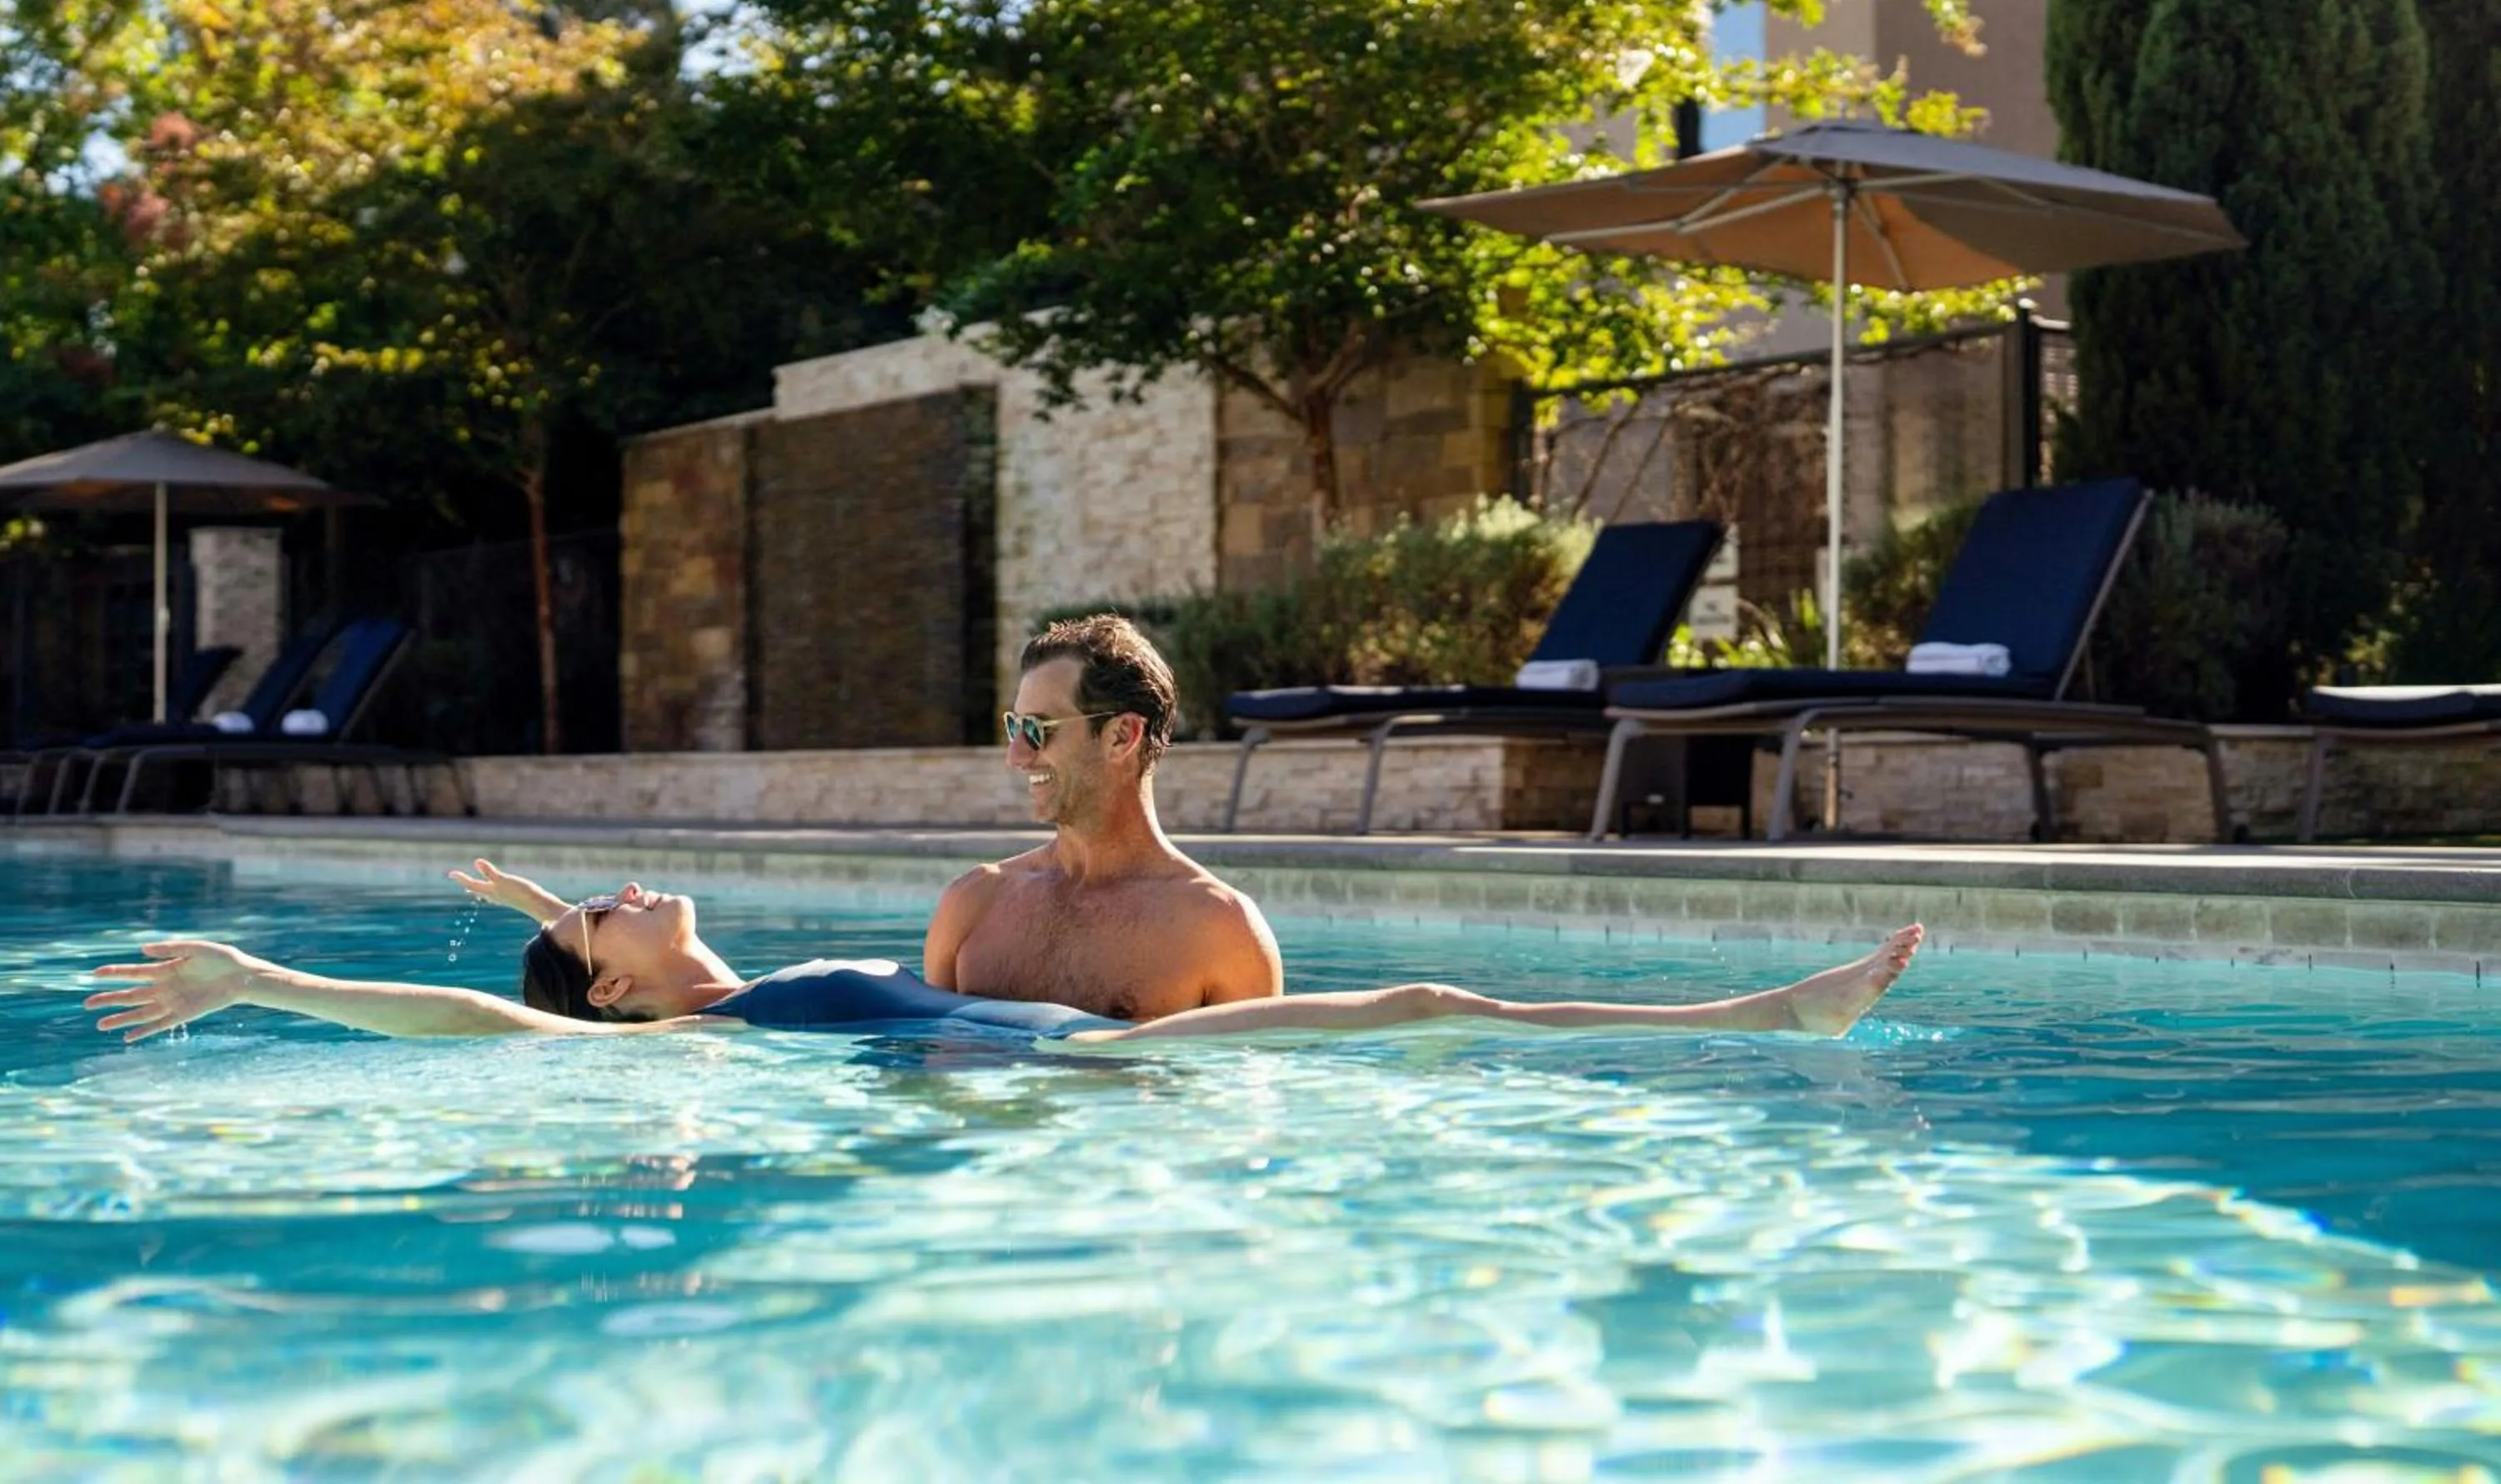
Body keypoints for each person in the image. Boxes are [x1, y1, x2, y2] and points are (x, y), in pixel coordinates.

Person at [84, 863, 1925, 1047]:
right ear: (622, 988)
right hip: (1066, 1077)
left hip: (1055, 1067)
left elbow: (545, 964)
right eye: (606, 913)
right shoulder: (676, 1040)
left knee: (1428, 1009)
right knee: (1432, 1004)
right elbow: (496, 1020)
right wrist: (269, 980)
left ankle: (1758, 1011)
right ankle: (1761, 1010)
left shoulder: (720, 995)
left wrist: (532, 910)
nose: (626, 889)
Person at [923, 614, 1283, 1021]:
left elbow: (1245, 1079)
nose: (1017, 755)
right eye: (1015, 727)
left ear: (1121, 736)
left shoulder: (1219, 930)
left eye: (1039, 729)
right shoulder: (973, 904)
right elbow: (933, 1064)